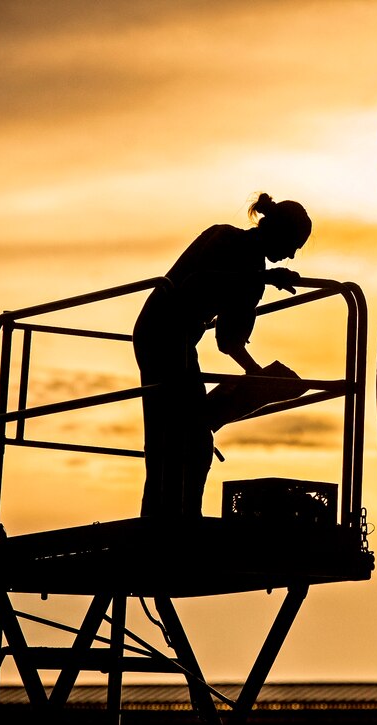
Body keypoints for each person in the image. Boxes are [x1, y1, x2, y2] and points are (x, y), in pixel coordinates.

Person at [133, 192, 310, 518]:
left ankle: (169, 514)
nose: (291, 257)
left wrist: (258, 376)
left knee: (181, 436)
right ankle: (170, 518)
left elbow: (228, 341)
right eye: (293, 245)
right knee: (185, 438)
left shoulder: (253, 278)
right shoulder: (225, 237)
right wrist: (263, 278)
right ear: (278, 233)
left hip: (177, 341)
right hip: (162, 333)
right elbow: (193, 286)